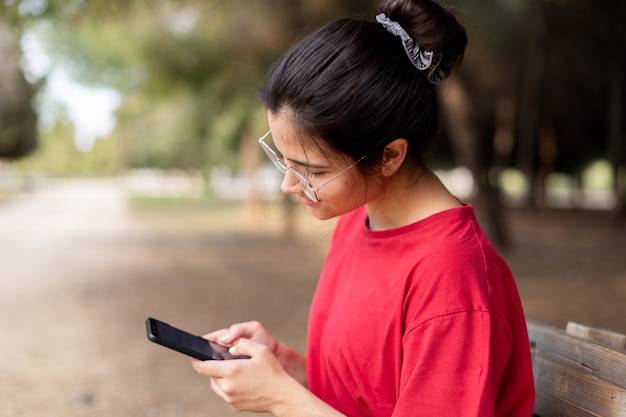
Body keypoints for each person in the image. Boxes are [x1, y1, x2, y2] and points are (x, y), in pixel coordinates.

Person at [191, 0, 536, 415]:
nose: (287, 185)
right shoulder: (360, 216)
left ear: (389, 157)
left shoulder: (453, 277)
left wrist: (282, 400)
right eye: (283, 160)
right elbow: (368, 392)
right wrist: (286, 370)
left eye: (313, 172)